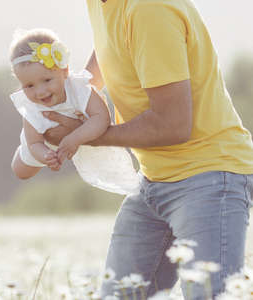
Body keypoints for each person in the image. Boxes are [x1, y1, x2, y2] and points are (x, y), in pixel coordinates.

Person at [14, 1, 253, 299]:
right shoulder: (102, 4)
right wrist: (75, 97)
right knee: (119, 295)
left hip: (208, 177)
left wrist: (84, 135)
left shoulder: (148, 9)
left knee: (210, 295)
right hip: (154, 181)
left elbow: (173, 125)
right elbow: (111, 46)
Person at [9, 28, 139, 195]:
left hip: (83, 132)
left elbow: (101, 118)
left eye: (47, 80)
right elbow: (34, 142)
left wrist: (75, 138)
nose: (40, 92)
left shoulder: (80, 88)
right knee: (20, 171)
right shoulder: (31, 105)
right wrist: (47, 156)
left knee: (115, 173)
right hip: (43, 136)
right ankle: (21, 152)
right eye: (29, 86)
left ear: (65, 71)